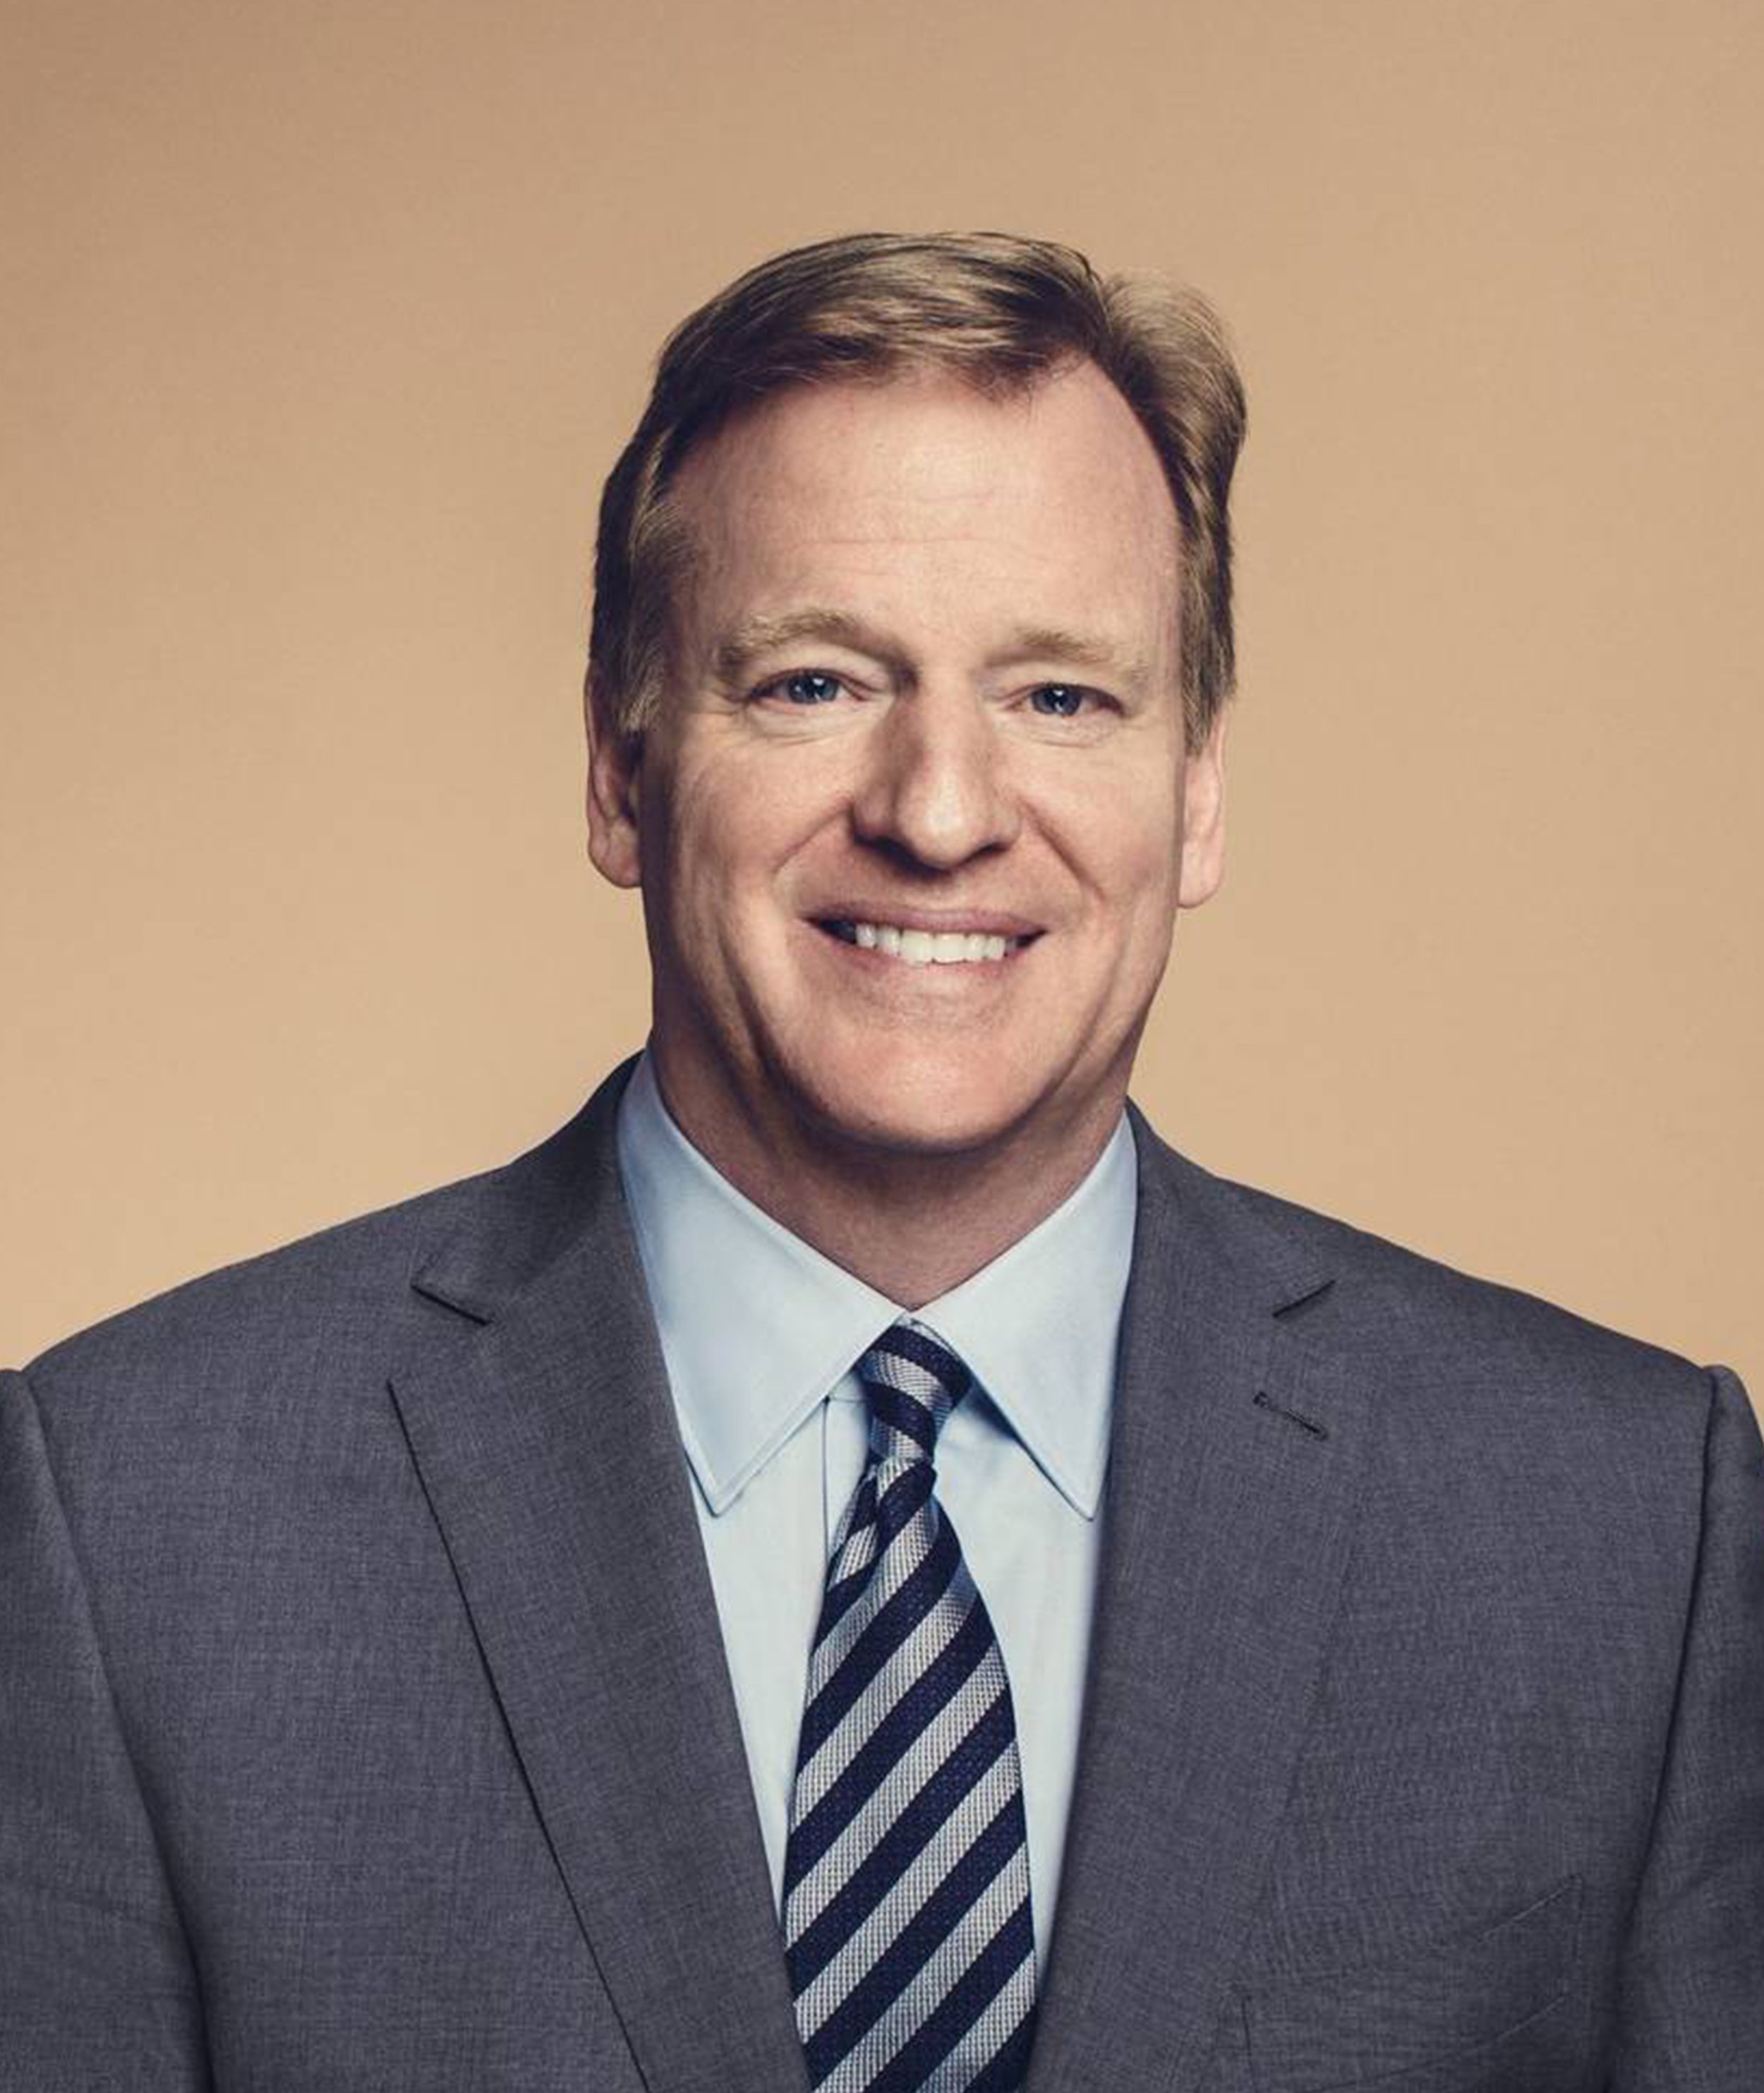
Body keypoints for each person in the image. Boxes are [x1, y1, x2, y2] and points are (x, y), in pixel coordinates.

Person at [1, 231, 1758, 2093]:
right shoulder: (129, 1530)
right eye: (818, 683)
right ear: (619, 765)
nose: (936, 811)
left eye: (1060, 698)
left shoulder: (1621, 1536)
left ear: (1197, 790)